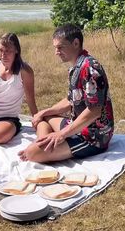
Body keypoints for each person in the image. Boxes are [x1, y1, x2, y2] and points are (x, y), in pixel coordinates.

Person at [18, 23, 114, 163]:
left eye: (60, 47)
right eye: (55, 48)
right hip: (76, 125)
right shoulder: (77, 66)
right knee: (44, 119)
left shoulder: (90, 68)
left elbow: (94, 111)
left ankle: (42, 147)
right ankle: (44, 143)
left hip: (93, 136)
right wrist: (44, 112)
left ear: (76, 43)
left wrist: (61, 134)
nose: (56, 52)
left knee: (32, 154)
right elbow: (71, 100)